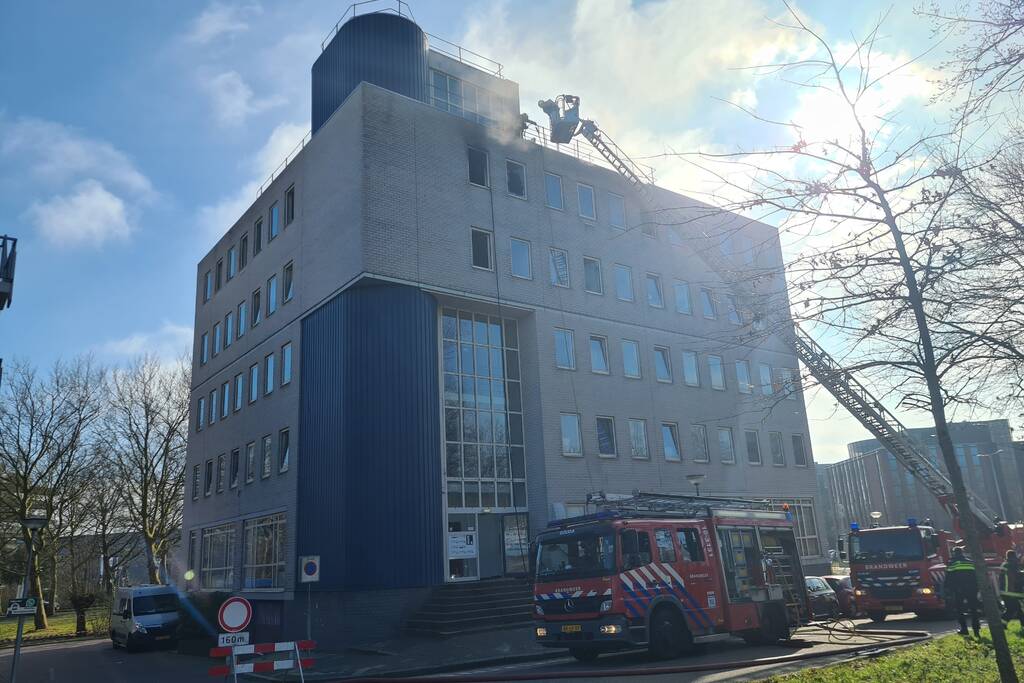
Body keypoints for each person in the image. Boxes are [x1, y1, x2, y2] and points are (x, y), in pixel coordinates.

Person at [946, 546, 981, 637]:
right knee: (974, 609)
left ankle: (964, 629)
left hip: (959, 590)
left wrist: (948, 590)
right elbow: (976, 577)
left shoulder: (952, 563)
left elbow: (949, 578)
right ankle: (976, 630)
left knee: (960, 610)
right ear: (962, 552)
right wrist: (977, 588)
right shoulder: (970, 562)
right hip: (972, 589)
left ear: (954, 553)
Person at [1000, 549, 1023, 628]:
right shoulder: (1011, 565)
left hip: (1005, 592)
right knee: (1012, 609)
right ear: (1013, 556)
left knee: (1017, 609)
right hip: (1011, 592)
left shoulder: (1005, 565)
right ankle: (1002, 624)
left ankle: (1003, 624)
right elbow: (1016, 577)